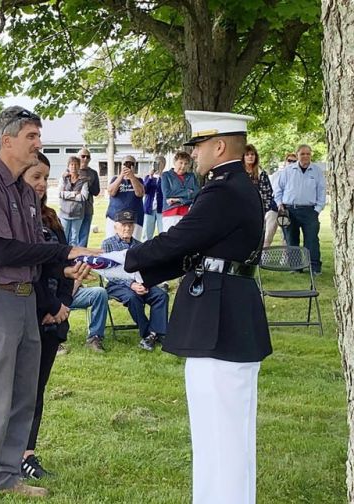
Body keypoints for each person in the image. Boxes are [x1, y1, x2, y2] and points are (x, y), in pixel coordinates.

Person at [125, 111, 272, 504]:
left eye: (199, 145)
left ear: (220, 146)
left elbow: (182, 238)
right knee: (220, 434)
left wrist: (129, 257)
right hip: (225, 312)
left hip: (220, 319)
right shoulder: (239, 186)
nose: (195, 154)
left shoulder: (223, 189)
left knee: (221, 436)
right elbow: (202, 252)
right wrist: (146, 273)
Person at [0, 106, 96, 503]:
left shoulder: (24, 190)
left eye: (39, 136)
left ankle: (7, 474)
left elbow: (34, 251)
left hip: (25, 300)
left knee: (23, 394)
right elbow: (2, 249)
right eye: (32, 136)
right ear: (8, 140)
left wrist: (65, 270)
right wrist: (66, 251)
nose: (38, 143)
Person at [19, 152, 98, 479]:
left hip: (56, 315)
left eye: (44, 179)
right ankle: (9, 453)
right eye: (35, 177)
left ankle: (28, 453)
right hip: (30, 312)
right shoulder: (17, 222)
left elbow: (66, 264)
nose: (40, 184)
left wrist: (64, 303)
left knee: (37, 387)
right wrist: (50, 306)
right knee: (19, 389)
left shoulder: (51, 218)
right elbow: (30, 270)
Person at [101, 210, 169, 351]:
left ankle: (158, 333)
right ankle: (148, 334)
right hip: (116, 285)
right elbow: (109, 273)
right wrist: (131, 284)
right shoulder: (108, 244)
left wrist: (145, 284)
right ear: (116, 226)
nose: (127, 228)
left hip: (139, 283)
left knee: (161, 295)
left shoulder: (139, 245)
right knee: (133, 297)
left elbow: (145, 270)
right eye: (123, 225)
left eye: (130, 225)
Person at [273, 144, 326, 274]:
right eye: (302, 154)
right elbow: (278, 189)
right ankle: (296, 267)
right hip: (289, 210)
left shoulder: (317, 171)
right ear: (297, 155)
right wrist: (280, 205)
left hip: (310, 211)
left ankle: (314, 267)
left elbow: (322, 191)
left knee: (312, 240)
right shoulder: (288, 170)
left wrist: (317, 210)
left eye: (308, 154)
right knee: (291, 240)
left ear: (311, 155)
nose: (305, 156)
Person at [244, 144, 279, 248]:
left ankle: (261, 255)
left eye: (252, 154)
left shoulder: (261, 173)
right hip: (244, 210)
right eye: (247, 154)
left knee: (261, 235)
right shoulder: (239, 174)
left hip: (260, 209)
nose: (250, 157)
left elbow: (268, 193)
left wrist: (264, 209)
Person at [105, 155, 144, 239]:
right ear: (121, 165)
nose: (128, 166)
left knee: (134, 247)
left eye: (131, 164)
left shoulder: (139, 180)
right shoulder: (115, 179)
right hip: (114, 218)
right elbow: (111, 192)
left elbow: (140, 193)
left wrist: (132, 177)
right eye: (126, 164)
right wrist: (121, 176)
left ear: (135, 166)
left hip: (134, 219)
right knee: (112, 244)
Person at [161, 151, 200, 232]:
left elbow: (197, 193)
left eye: (186, 164)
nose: (183, 166)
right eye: (181, 163)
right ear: (175, 162)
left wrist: (178, 200)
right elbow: (167, 194)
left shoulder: (191, 176)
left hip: (188, 213)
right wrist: (189, 192)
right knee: (170, 241)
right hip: (170, 213)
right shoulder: (166, 175)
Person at [57, 156, 90, 245]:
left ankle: (72, 257)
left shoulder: (84, 180)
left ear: (79, 166)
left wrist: (66, 195)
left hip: (78, 214)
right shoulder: (64, 178)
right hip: (64, 213)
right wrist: (74, 194)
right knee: (63, 237)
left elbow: (84, 197)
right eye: (71, 164)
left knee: (74, 239)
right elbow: (60, 194)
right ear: (68, 166)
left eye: (76, 165)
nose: (73, 167)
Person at [76, 147, 101, 246]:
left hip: (87, 209)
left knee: (83, 237)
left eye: (88, 157)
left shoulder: (93, 173)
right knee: (71, 236)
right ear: (78, 157)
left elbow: (96, 192)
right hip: (73, 210)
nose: (85, 159)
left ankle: (82, 258)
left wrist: (88, 182)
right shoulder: (70, 170)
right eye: (83, 156)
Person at [142, 157, 164, 240]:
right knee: (147, 233)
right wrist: (151, 177)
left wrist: (161, 176)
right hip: (149, 209)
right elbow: (145, 190)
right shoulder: (148, 177)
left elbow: (166, 190)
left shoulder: (165, 177)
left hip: (161, 209)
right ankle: (145, 250)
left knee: (163, 231)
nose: (157, 166)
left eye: (160, 163)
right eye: (156, 163)